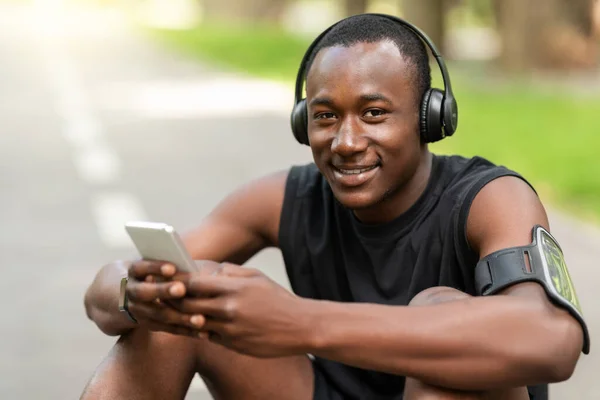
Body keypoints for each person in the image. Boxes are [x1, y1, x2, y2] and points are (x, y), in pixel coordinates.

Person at [81, 14, 588, 400]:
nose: (345, 141)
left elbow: (552, 340)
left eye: (374, 113)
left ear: (430, 118)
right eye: (325, 115)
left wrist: (299, 321)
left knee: (445, 325)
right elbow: (109, 286)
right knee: (180, 309)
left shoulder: (490, 200)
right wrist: (135, 294)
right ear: (304, 123)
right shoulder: (286, 197)